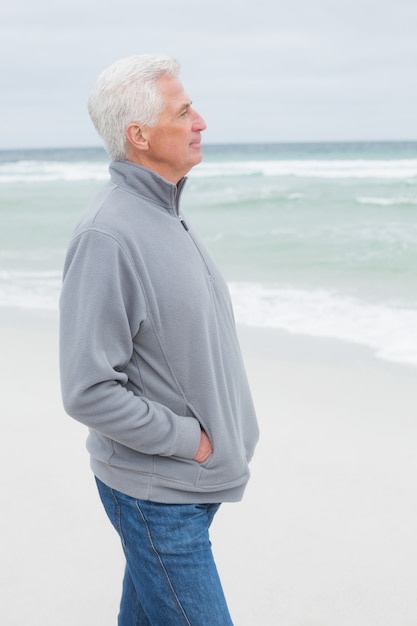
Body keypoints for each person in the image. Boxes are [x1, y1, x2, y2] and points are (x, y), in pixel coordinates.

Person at [59, 53, 259, 626]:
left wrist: (230, 436)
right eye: (185, 111)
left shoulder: (167, 214)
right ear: (139, 135)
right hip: (157, 493)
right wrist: (191, 439)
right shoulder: (108, 234)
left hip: (194, 483)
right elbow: (88, 390)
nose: (201, 122)